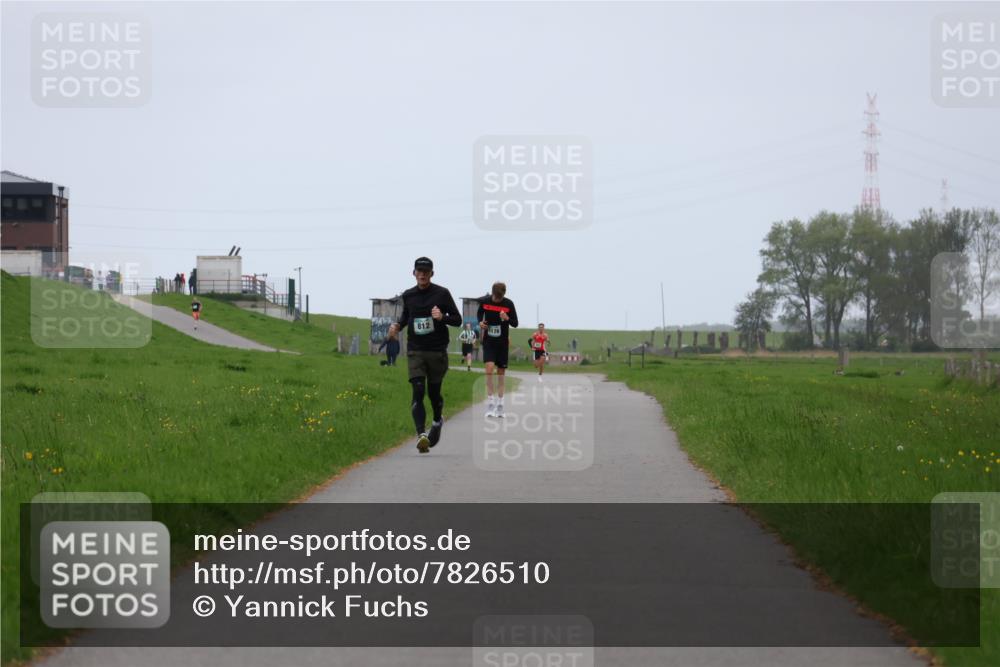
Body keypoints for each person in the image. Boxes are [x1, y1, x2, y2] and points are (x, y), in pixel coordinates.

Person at [388, 257, 461, 453]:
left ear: (432, 274)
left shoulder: (442, 293)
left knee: (434, 393)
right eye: (419, 271)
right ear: (414, 273)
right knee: (418, 389)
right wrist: (397, 326)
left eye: (426, 271)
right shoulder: (409, 295)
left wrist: (442, 317)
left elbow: (457, 320)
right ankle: (421, 435)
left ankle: (437, 421)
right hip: (415, 350)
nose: (422, 274)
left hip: (437, 351)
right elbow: (405, 317)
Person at [477, 282, 518, 417]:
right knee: (489, 370)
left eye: (500, 299)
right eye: (495, 298)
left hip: (502, 343)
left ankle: (500, 405)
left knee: (500, 375)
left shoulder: (508, 304)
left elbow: (515, 323)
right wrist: (480, 323)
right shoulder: (485, 302)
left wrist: (507, 318)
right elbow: (479, 314)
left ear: (503, 295)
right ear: (492, 293)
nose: (497, 301)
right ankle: (490, 403)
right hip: (489, 342)